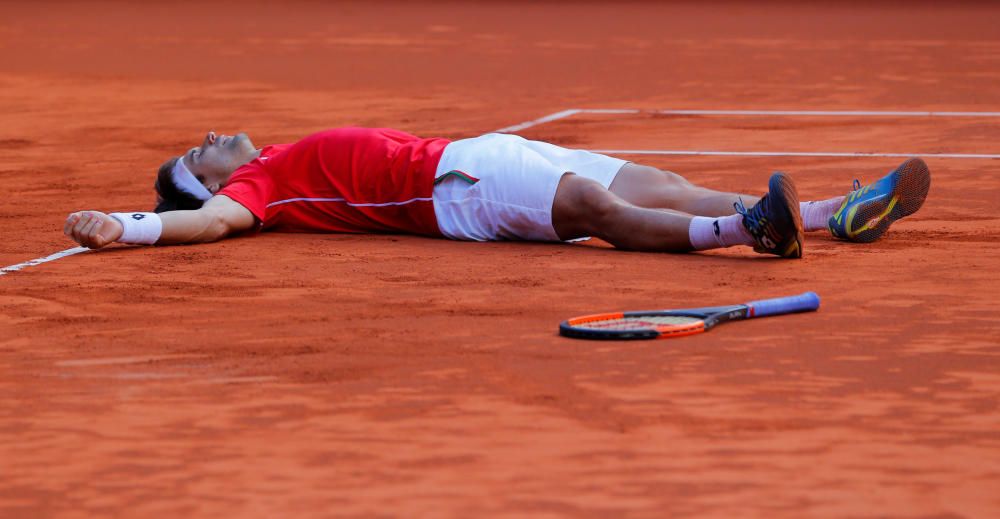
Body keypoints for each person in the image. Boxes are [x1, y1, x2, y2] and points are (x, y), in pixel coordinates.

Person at [63, 127, 931, 258]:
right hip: (455, 189)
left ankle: (825, 214)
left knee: (657, 180)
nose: (216, 134)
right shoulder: (257, 185)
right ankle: (749, 232)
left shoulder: (276, 154)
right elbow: (213, 226)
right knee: (596, 212)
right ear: (205, 178)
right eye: (200, 148)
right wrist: (133, 227)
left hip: (483, 149)